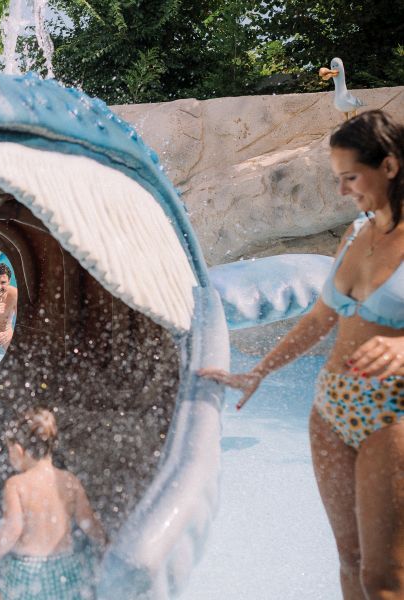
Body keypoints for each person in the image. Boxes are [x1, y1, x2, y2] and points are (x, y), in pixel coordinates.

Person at [200, 110, 404, 599]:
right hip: (331, 410)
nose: (341, 192)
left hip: (390, 416)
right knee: (349, 563)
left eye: (350, 177)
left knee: (384, 577)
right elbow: (319, 319)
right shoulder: (357, 234)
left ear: (390, 167)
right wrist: (260, 372)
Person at [0, 407, 107, 599]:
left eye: (9, 450)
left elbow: (12, 530)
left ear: (19, 450)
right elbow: (89, 523)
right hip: (65, 569)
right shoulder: (70, 481)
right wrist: (108, 544)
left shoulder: (16, 485)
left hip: (26, 572)